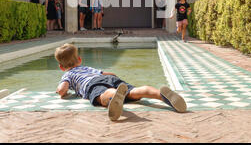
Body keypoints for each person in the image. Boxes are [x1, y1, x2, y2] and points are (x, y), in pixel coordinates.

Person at [54, 43, 187, 121]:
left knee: (103, 94)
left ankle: (114, 96)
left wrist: (61, 91)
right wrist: (115, 78)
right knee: (134, 91)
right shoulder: (87, 68)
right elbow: (106, 74)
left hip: (92, 84)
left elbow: (62, 89)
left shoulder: (69, 74)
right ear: (79, 60)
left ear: (61, 67)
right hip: (109, 79)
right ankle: (160, 94)